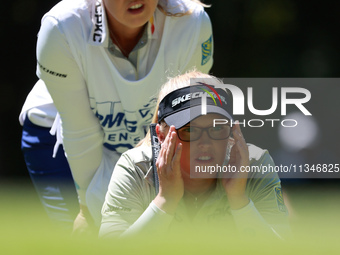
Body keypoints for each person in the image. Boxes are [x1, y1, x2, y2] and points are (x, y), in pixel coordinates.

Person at [19, 0, 213, 233]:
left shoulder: (193, 22)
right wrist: (87, 209)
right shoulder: (60, 26)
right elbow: (79, 130)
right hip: (60, 142)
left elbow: (183, 122)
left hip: (148, 144)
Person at [99, 70, 290, 239]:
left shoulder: (254, 164)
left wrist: (240, 201)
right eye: (189, 130)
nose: (205, 143)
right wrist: (165, 201)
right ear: (161, 135)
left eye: (217, 129)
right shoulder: (136, 168)